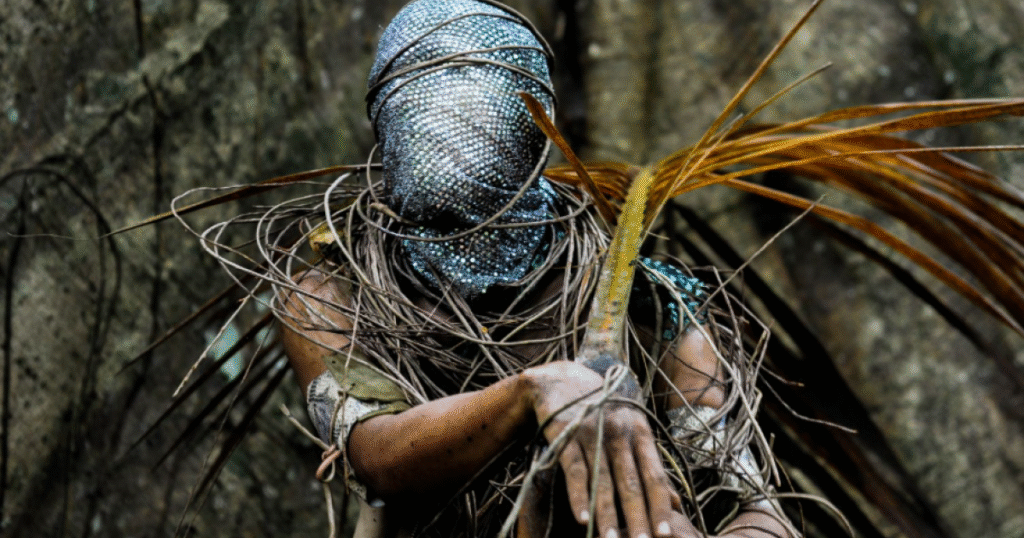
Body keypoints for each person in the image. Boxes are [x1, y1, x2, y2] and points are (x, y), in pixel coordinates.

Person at [274, 1, 797, 537]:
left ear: (536, 126)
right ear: (384, 121)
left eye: (478, 92)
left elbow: (753, 507)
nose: (453, 121)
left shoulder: (646, 301)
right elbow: (378, 455)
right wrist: (534, 391)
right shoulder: (334, 293)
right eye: (431, 90)